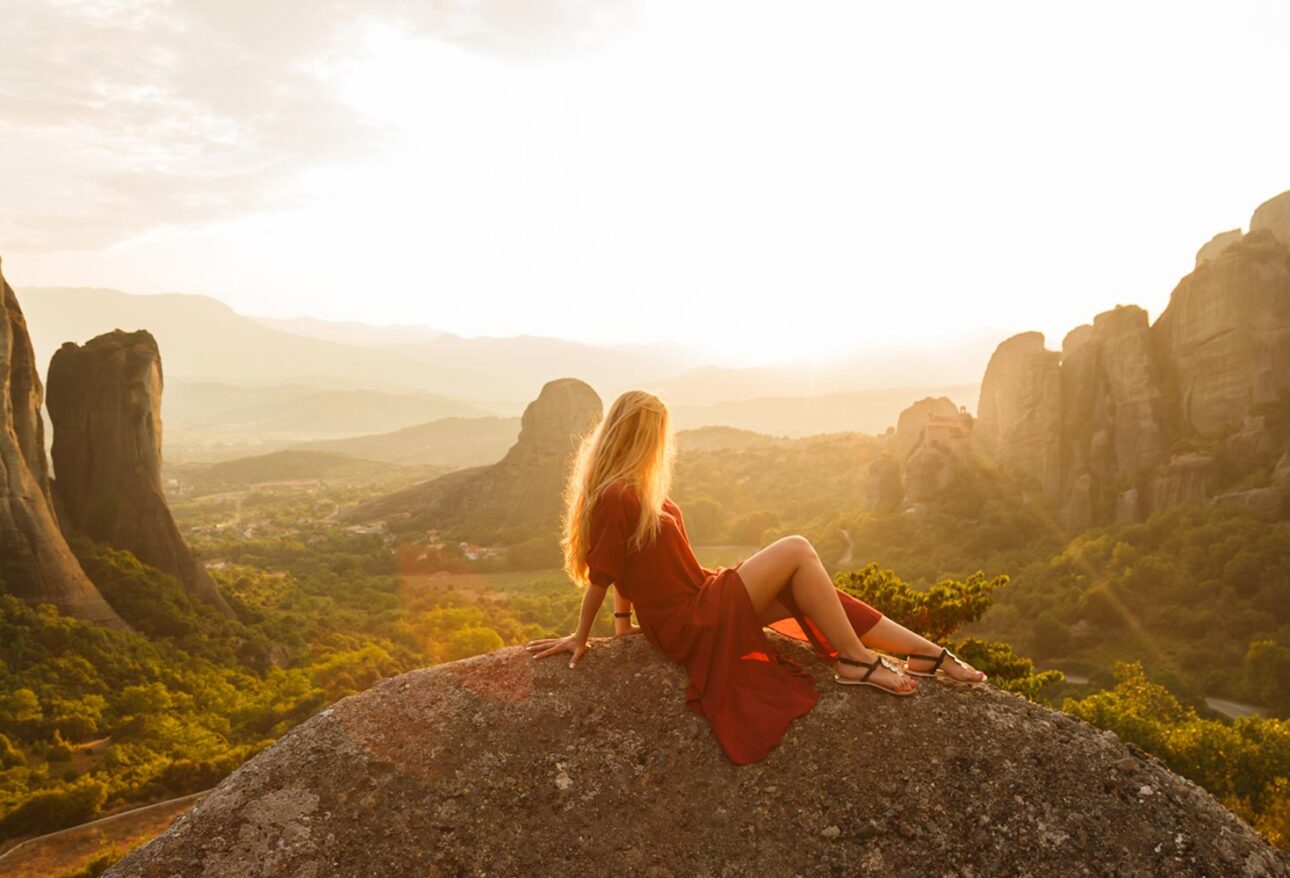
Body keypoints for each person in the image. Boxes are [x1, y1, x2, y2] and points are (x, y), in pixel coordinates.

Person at [525, 390, 986, 764]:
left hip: (701, 596)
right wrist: (581, 636)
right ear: (639, 434)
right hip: (690, 618)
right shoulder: (616, 495)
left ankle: (928, 654)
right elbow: (604, 574)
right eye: (655, 434)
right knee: (798, 548)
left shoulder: (636, 491)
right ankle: (856, 660)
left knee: (811, 590)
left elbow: (629, 566)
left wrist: (625, 625)